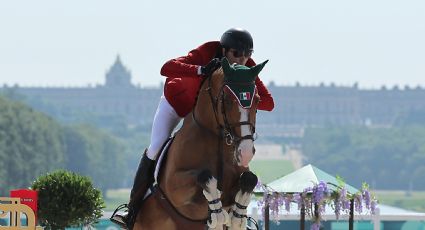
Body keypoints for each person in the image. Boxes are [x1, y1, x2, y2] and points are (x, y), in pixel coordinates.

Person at [111, 28, 275, 229]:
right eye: (236, 54)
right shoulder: (206, 52)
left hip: (209, 119)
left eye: (247, 55)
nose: (241, 60)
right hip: (177, 103)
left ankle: (238, 211)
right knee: (155, 147)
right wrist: (201, 70)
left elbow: (268, 103)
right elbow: (166, 68)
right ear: (223, 50)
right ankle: (132, 210)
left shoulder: (245, 70)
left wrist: (248, 93)